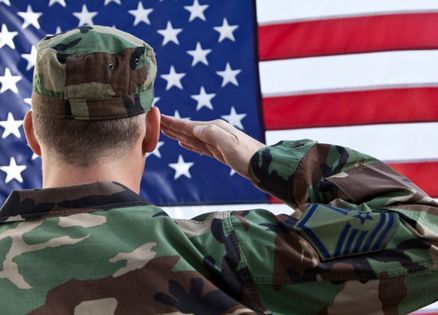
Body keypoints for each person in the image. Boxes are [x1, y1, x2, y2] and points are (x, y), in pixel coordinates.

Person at [0, 25, 436, 315]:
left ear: (32, 132)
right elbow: (426, 231)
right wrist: (262, 160)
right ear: (152, 131)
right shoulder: (224, 257)